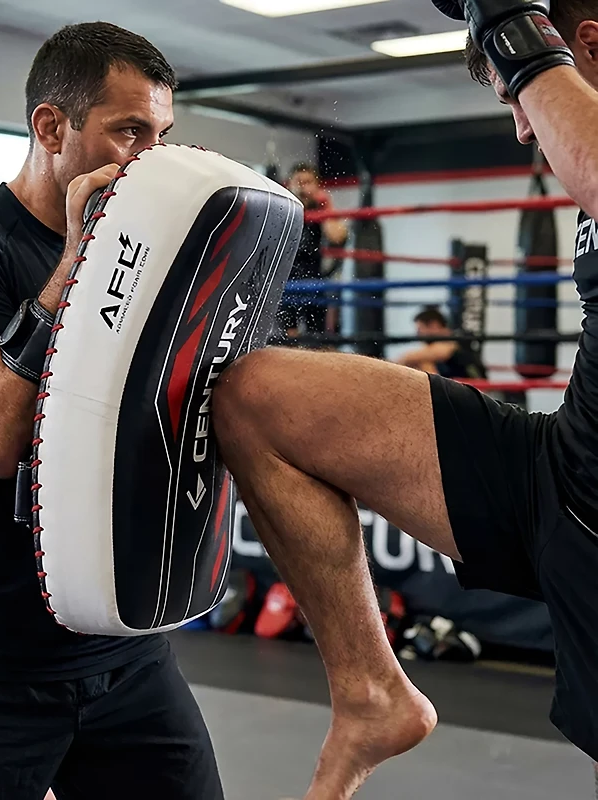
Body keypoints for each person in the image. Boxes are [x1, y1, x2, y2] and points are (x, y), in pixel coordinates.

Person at [211, 0, 598, 796]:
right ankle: (371, 692)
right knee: (257, 394)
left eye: (514, 98)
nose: (523, 131)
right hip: (563, 471)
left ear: (583, 44)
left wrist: (514, 24)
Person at [0, 22, 222, 800]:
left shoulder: (151, 252)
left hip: (122, 646)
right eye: (130, 131)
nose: (149, 157)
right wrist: (75, 263)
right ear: (50, 126)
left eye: (162, 135)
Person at [279, 163, 348, 337]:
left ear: (317, 186)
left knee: (316, 338)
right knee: (289, 338)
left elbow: (338, 236)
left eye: (308, 182)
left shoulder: (321, 210)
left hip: (314, 281)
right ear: (290, 184)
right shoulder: (284, 209)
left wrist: (325, 207)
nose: (303, 186)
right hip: (286, 283)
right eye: (298, 181)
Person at [397, 306, 487, 378]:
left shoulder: (454, 339)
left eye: (420, 329)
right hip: (455, 390)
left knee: (424, 362)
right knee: (422, 364)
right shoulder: (437, 345)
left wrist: (396, 364)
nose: (418, 334)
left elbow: (438, 352)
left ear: (434, 325)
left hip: (474, 391)